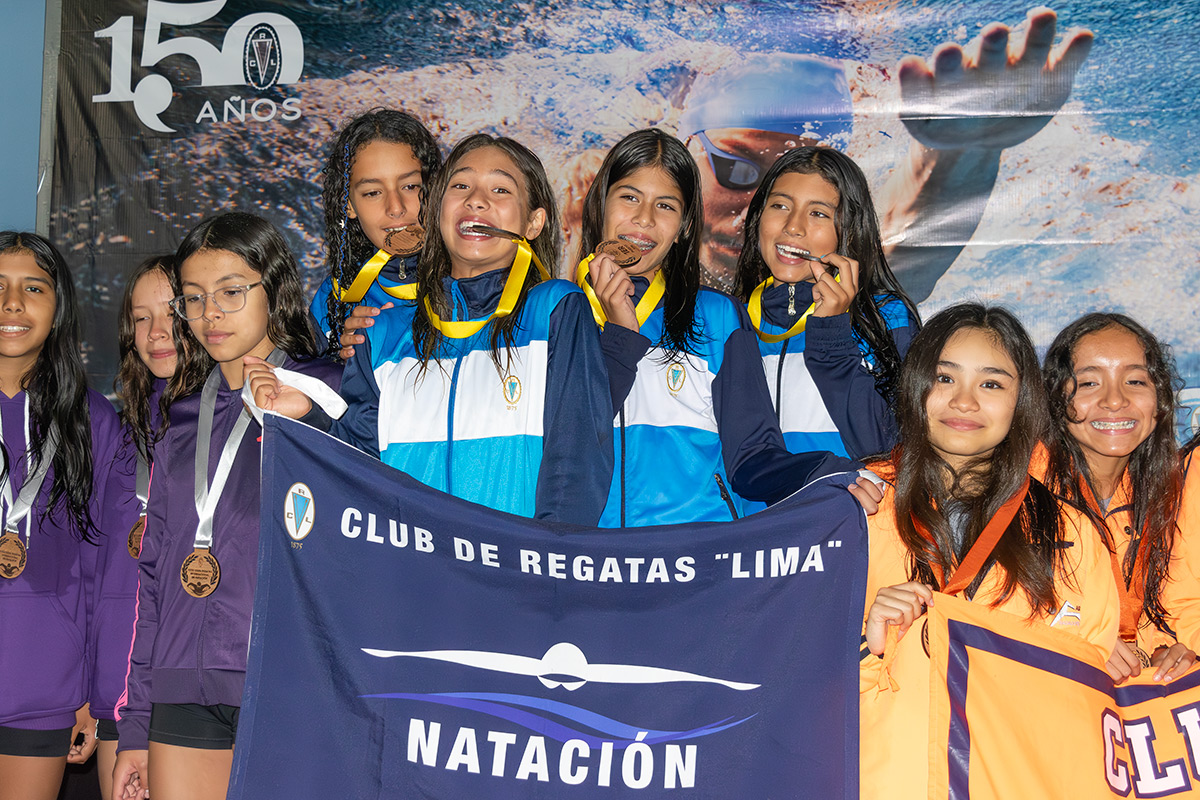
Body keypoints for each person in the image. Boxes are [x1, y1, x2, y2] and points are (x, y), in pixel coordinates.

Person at [252, 135, 614, 524]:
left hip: (514, 561)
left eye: (500, 189)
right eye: (461, 186)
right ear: (437, 212)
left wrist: (546, 555)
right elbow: (360, 468)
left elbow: (575, 463)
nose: (476, 200)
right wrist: (309, 417)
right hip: (411, 562)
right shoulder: (380, 332)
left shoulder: (555, 310)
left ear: (533, 222)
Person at [113, 212, 341, 800]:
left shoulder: (331, 392)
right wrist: (136, 725)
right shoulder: (182, 414)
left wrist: (312, 417)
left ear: (275, 288)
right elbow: (153, 581)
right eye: (194, 298)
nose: (210, 314)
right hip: (181, 684)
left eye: (231, 292)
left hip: (286, 679)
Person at [859, 304, 1116, 799]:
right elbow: (795, 677)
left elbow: (1091, 704)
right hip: (888, 779)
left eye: (991, 384)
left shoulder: (1073, 535)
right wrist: (865, 643)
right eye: (945, 378)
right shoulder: (859, 510)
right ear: (916, 387)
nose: (964, 401)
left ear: (1022, 402)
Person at [672, 7, 1094, 297]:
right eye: (736, 169)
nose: (760, 217)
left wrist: (963, 151)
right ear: (687, 151)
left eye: (799, 193)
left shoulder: (827, 289)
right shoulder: (635, 232)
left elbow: (896, 255)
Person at [575, 128, 874, 526]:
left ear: (684, 227)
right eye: (629, 197)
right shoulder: (555, 313)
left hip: (700, 548)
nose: (644, 219)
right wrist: (617, 339)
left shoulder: (717, 316)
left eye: (665, 206)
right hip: (593, 552)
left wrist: (827, 472)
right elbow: (556, 448)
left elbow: (752, 457)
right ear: (599, 206)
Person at [0, 232, 138, 800]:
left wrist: (92, 695)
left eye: (33, 288)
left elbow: (105, 571)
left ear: (58, 308)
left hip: (43, 688)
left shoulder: (93, 421)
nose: (12, 303)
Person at [733, 146, 919, 459]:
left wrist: (832, 335)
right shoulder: (726, 321)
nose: (793, 226)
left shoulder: (888, 318)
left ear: (848, 231)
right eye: (780, 205)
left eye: (818, 213)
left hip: (847, 493)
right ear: (758, 219)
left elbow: (892, 450)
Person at [1042, 313, 1197, 683]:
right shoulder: (1015, 490)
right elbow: (982, 610)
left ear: (1159, 400)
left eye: (1135, 381)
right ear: (1056, 398)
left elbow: (1166, 603)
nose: (1115, 400)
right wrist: (1078, 639)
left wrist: (1162, 649)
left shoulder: (1161, 493)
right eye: (1089, 383)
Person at [91, 255, 178, 800]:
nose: (156, 332)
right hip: (117, 688)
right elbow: (95, 569)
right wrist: (88, 691)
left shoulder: (238, 420)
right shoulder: (117, 433)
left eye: (171, 312)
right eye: (141, 318)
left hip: (196, 689)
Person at [309, 108, 442, 357]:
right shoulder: (335, 297)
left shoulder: (476, 280)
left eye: (410, 186)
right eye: (373, 193)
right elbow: (310, 377)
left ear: (436, 187)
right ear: (348, 205)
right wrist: (342, 363)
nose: (396, 208)